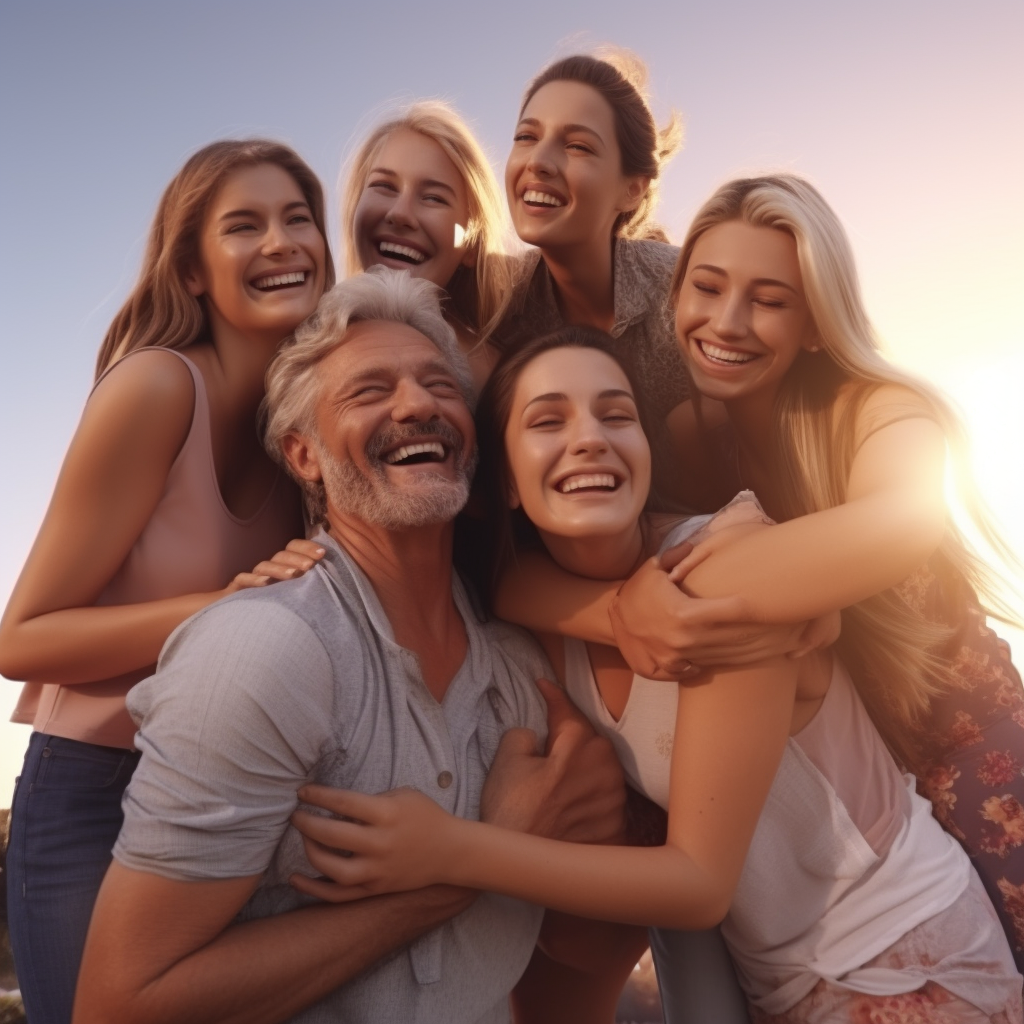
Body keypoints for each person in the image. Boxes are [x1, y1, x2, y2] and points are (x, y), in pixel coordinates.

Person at [287, 329, 1023, 1023]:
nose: (589, 438)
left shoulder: (724, 573)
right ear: (505, 483)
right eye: (548, 421)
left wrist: (451, 849)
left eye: (617, 415)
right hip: (780, 982)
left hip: (906, 956)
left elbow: (699, 885)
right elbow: (508, 584)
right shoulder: (531, 613)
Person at [73, 270, 628, 1024]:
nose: (417, 403)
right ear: (303, 456)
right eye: (369, 392)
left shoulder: (523, 669)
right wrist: (475, 863)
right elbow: (119, 1005)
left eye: (441, 385)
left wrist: (603, 832)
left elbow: (584, 948)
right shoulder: (266, 654)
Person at [0, 139, 332, 1024]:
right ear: (192, 268)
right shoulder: (153, 389)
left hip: (228, 794)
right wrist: (219, 613)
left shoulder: (300, 434)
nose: (281, 242)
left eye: (299, 219)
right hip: (90, 793)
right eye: (245, 225)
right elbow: (22, 639)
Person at [662, 174, 1024, 968]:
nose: (726, 322)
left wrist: (778, 589)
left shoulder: (882, 409)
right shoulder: (692, 434)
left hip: (985, 763)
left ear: (817, 323)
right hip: (864, 800)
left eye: (769, 299)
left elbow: (901, 522)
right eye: (707, 286)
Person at [493, 50, 688, 495]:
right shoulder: (496, 301)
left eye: (577, 145)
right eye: (526, 137)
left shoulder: (683, 291)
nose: (537, 162)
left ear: (632, 189)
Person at [340, 100, 516, 392]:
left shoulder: (508, 382)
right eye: (383, 186)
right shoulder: (311, 348)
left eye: (434, 198)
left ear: (470, 245)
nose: (400, 213)